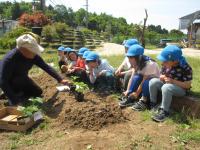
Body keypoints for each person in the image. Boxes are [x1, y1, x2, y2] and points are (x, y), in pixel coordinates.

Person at [0, 33, 68, 105]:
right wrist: (14, 101)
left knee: (37, 92)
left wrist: (60, 79)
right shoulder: (10, 59)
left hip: (23, 78)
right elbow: (3, 81)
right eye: (32, 51)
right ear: (23, 49)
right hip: (9, 81)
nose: (35, 53)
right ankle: (10, 94)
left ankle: (19, 94)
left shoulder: (33, 56)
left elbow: (46, 67)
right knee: (15, 92)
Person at [150, 45, 193, 122]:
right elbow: (161, 74)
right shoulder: (165, 64)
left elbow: (187, 85)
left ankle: (164, 111)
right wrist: (161, 76)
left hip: (180, 90)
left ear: (175, 60)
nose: (163, 63)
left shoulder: (186, 68)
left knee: (166, 87)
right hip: (167, 85)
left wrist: (172, 81)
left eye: (165, 61)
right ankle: (153, 104)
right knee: (153, 81)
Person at [119, 44, 160, 109]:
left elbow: (144, 80)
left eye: (131, 57)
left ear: (139, 57)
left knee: (146, 82)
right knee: (136, 77)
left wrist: (137, 93)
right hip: (143, 81)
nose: (129, 59)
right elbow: (132, 77)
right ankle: (131, 98)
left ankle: (144, 102)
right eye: (128, 57)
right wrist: (128, 90)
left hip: (152, 85)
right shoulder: (137, 63)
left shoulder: (150, 64)